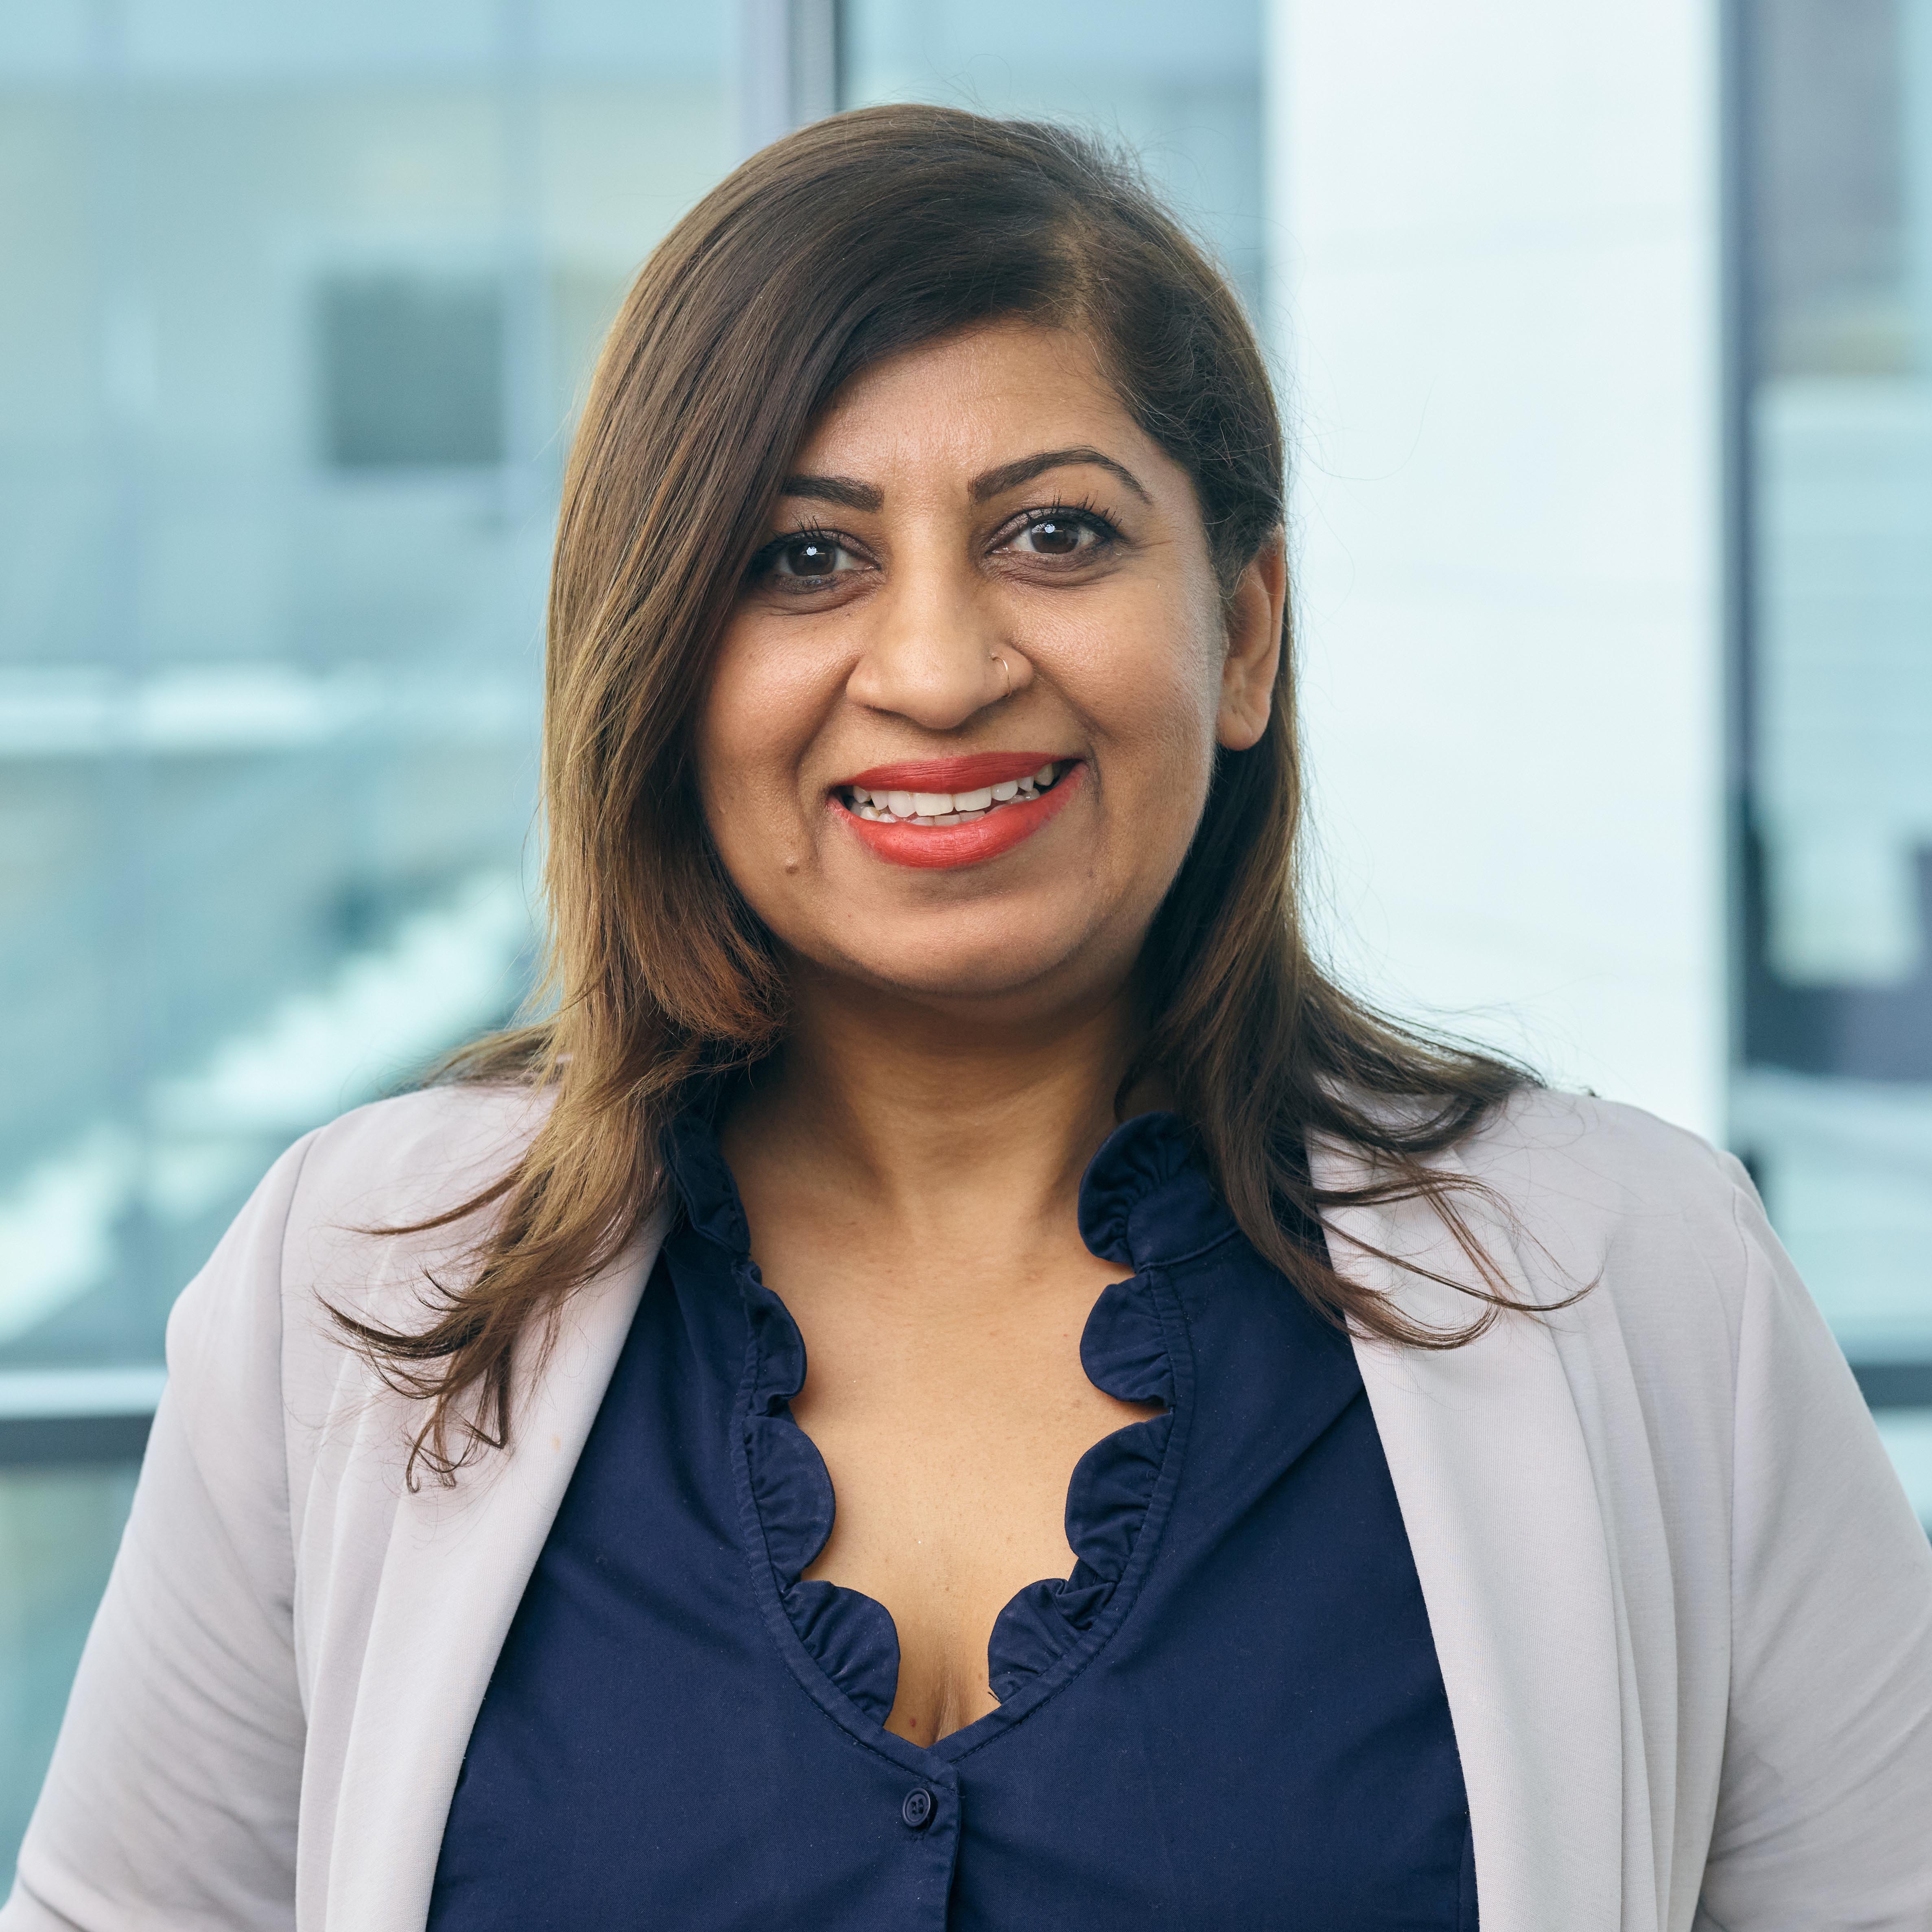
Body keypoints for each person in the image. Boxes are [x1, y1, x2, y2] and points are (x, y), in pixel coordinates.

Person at [6, 104, 1930, 1932]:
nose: (936, 667)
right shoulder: (360, 1279)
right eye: (804, 557)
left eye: (1056, 534)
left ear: (1242, 631)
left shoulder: (1630, 1279)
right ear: (661, 654)